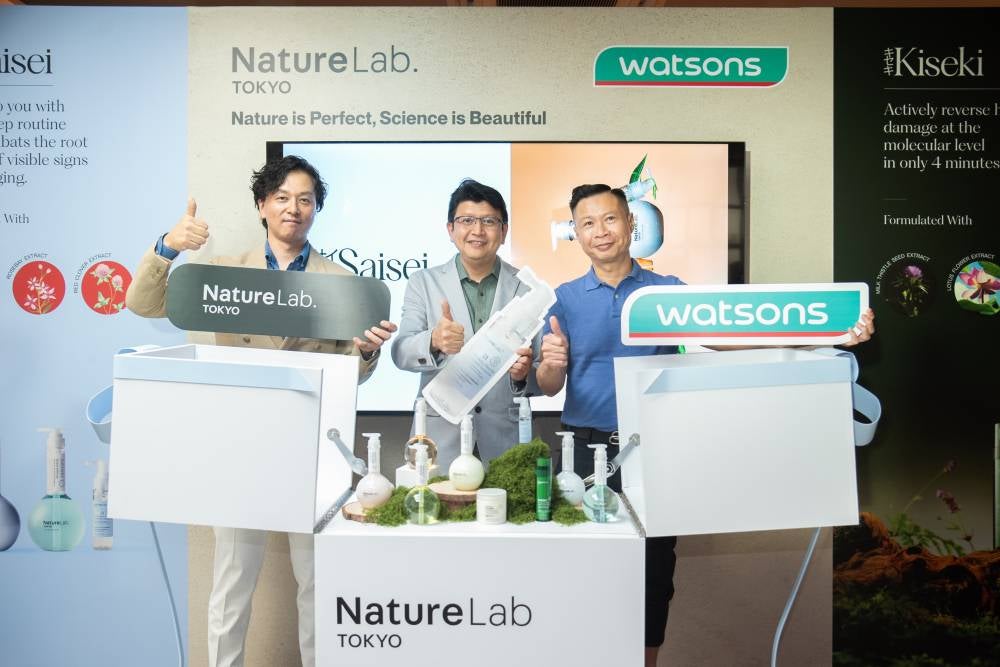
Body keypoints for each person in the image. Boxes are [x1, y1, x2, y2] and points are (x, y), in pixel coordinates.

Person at [536, 183, 874, 667]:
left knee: (653, 572)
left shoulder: (666, 292)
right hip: (583, 455)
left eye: (610, 219)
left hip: (650, 451)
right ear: (576, 232)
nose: (600, 231)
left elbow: (733, 336)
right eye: (587, 223)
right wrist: (551, 363)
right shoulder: (564, 299)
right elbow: (549, 384)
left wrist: (834, 334)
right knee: (583, 571)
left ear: (631, 223)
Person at [125, 155, 396, 667]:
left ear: (316, 209)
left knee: (317, 581)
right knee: (231, 584)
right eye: (283, 198)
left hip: (312, 447)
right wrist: (167, 247)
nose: (294, 208)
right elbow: (143, 304)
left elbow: (354, 374)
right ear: (262, 205)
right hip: (240, 445)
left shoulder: (342, 283)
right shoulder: (224, 272)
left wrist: (366, 352)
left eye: (305, 200)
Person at [391, 179, 536, 472]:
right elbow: (401, 352)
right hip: (440, 440)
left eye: (489, 221)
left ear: (504, 231)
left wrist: (523, 377)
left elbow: (543, 376)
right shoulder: (423, 282)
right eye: (467, 220)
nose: (477, 230)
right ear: (450, 229)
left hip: (506, 441)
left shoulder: (526, 290)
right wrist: (433, 341)